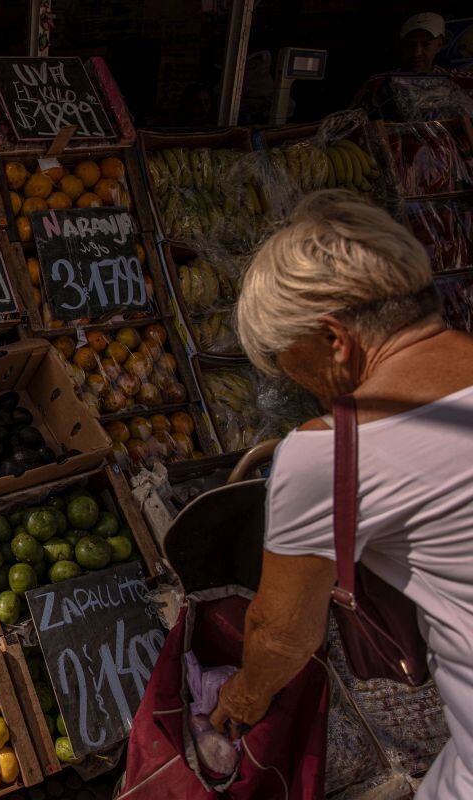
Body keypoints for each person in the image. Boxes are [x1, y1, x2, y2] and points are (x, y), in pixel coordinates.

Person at [211, 190, 473, 797]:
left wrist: (244, 695)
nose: (292, 381)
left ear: (334, 339)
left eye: (286, 361)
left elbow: (282, 635)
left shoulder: (330, 452)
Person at [353, 12, 473, 118]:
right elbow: (353, 121)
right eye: (409, 45)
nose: (416, 53)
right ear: (400, 46)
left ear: (440, 45)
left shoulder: (459, 81)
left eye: (426, 45)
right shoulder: (378, 83)